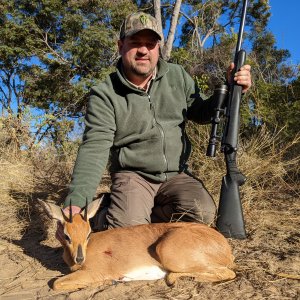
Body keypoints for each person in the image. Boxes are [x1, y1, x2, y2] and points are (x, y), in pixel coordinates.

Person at [56, 12, 251, 241]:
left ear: (158, 47)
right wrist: (77, 204)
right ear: (120, 46)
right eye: (135, 43)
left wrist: (232, 92)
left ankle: (140, 212)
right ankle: (103, 214)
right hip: (134, 175)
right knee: (129, 237)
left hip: (176, 175)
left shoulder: (177, 75)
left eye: (150, 44)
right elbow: (94, 147)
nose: (143, 50)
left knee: (202, 214)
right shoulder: (105, 93)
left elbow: (201, 112)